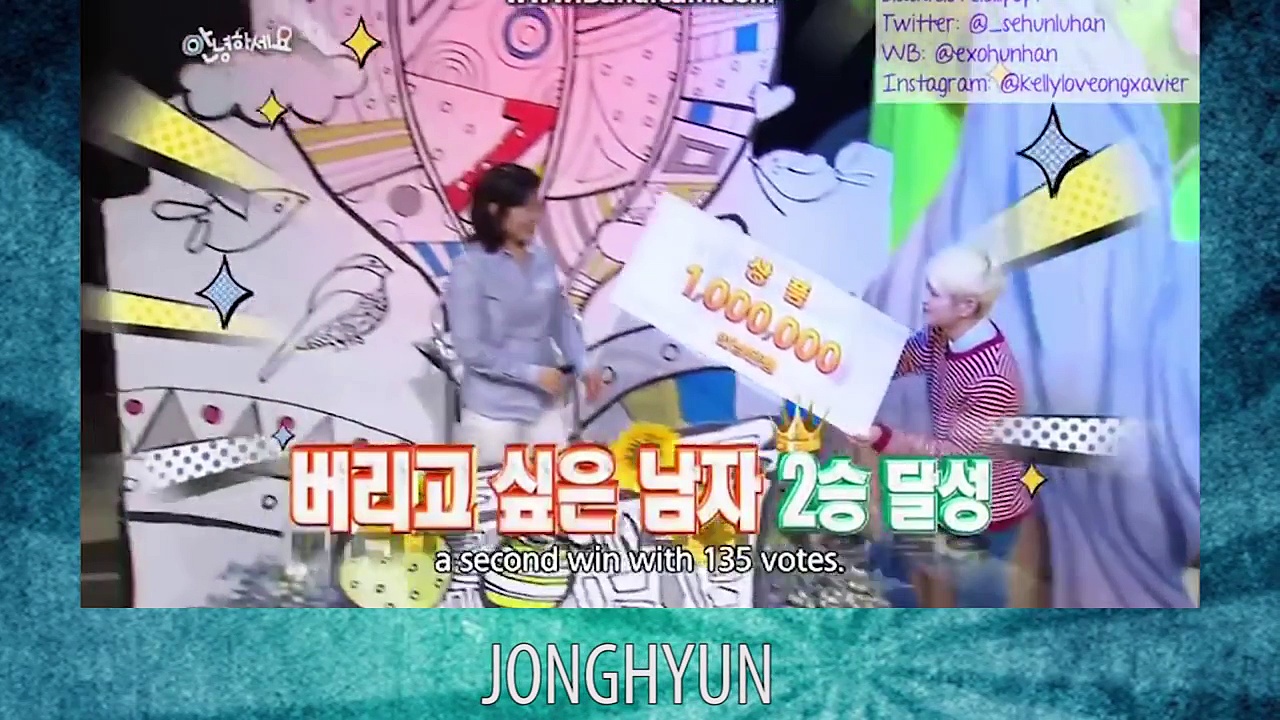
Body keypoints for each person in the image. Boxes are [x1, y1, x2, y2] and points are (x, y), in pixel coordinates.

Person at [851, 245, 1036, 607]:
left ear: (966, 306)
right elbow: (900, 359)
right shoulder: (941, 335)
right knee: (904, 560)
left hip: (985, 504)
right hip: (949, 487)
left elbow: (954, 454)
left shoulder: (992, 377)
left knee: (977, 605)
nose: (925, 300)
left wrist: (881, 438)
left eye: (934, 293)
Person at [444, 164, 605, 467]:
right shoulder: (470, 269)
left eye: (537, 207)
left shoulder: (542, 260)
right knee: (494, 493)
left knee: (555, 487)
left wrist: (583, 364)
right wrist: (532, 374)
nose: (535, 217)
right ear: (495, 210)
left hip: (543, 407)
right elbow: (471, 349)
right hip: (492, 414)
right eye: (526, 208)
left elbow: (559, 319)